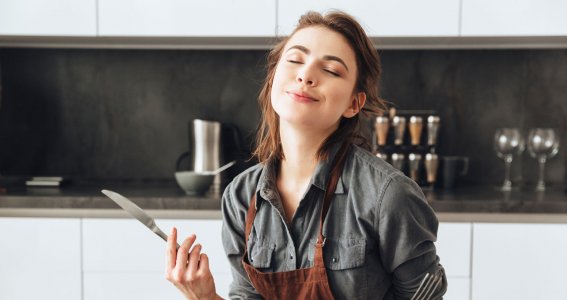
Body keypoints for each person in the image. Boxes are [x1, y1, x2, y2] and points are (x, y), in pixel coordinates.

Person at [165, 10, 447, 300]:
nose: (306, 75)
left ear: (354, 103)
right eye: (295, 60)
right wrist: (204, 297)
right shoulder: (241, 197)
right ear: (274, 77)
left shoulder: (388, 196)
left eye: (331, 70)